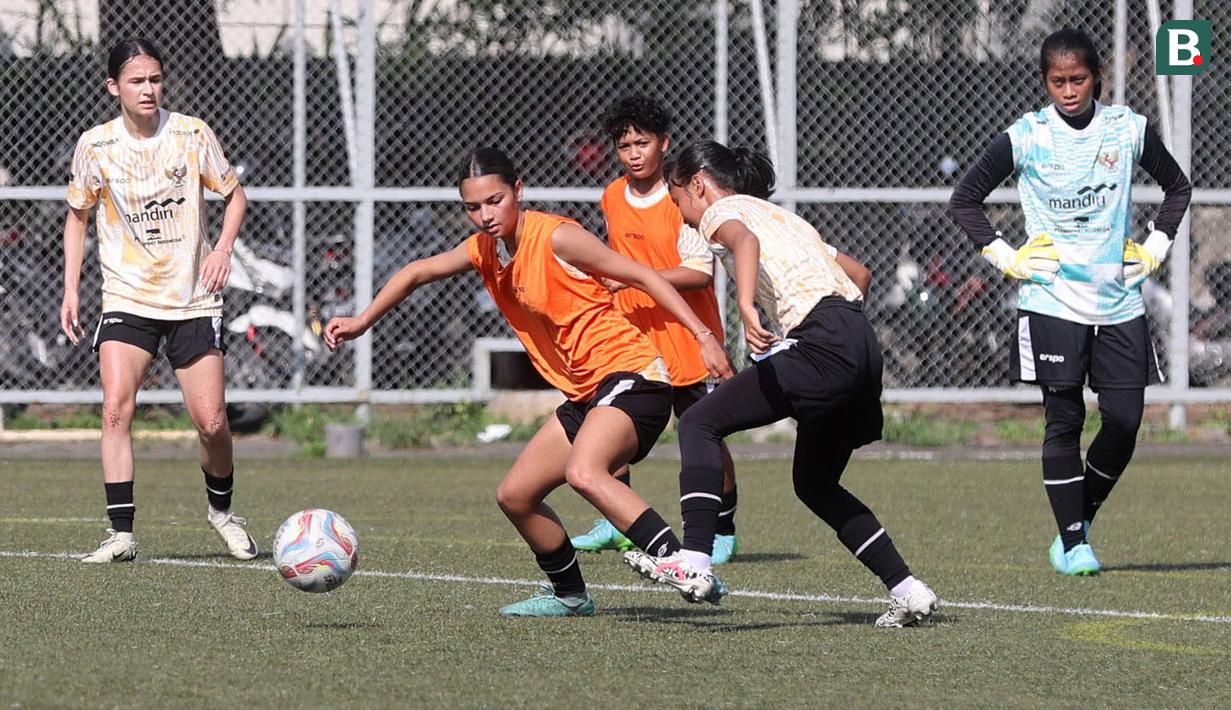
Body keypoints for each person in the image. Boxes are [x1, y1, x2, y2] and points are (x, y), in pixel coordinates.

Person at [324, 147, 734, 616]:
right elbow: (418, 272)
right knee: (515, 496)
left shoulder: (557, 236)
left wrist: (704, 336)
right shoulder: (484, 250)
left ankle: (681, 562)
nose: (484, 215)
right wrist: (361, 321)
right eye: (473, 207)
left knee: (585, 472)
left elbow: (641, 276)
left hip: (634, 376)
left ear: (518, 191)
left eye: (494, 201)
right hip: (587, 394)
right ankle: (571, 596)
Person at [624, 141, 939, 627]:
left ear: (699, 185)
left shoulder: (721, 211)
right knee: (814, 484)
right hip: (858, 340)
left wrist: (748, 306)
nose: (682, 215)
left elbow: (742, 242)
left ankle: (695, 560)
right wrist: (837, 330)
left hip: (824, 343)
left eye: (677, 199)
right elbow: (859, 273)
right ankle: (909, 589)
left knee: (699, 422)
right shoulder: (786, 219)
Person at [948, 28, 1191, 575]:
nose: (1068, 90)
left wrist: (1154, 247)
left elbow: (1179, 187)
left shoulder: (1127, 129)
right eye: (1057, 81)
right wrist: (1006, 256)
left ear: (1096, 76)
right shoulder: (1028, 136)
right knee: (1065, 420)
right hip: (1051, 299)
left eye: (1077, 79)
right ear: (1044, 81)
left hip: (1119, 302)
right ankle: (1074, 542)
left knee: (1125, 420)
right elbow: (964, 200)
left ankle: (1077, 520)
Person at [61, 38, 257, 563]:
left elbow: (234, 194)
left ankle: (221, 513)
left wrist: (221, 249)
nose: (148, 89)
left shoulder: (192, 134)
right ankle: (121, 533)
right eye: (136, 81)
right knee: (114, 408)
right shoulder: (96, 146)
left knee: (212, 422)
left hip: (192, 298)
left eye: (154, 79)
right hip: (127, 295)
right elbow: (77, 216)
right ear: (114, 88)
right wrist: (72, 287)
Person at [569, 95, 740, 564]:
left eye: (643, 143)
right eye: (625, 146)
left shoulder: (681, 197)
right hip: (631, 335)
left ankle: (723, 527)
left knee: (700, 428)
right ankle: (614, 519)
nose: (634, 154)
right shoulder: (609, 195)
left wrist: (631, 276)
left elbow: (698, 273)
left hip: (687, 333)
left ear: (665, 143)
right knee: (611, 418)